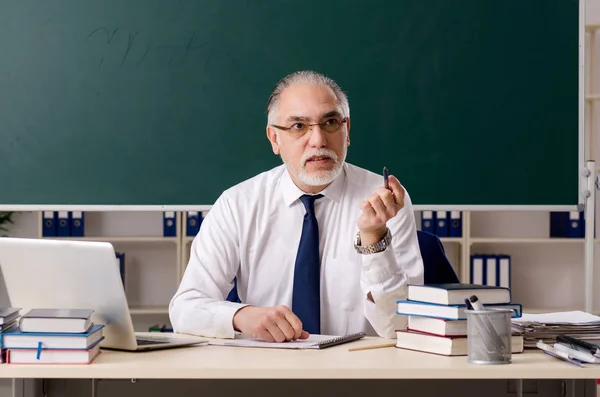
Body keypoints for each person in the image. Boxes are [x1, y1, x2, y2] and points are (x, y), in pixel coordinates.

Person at [169, 70, 424, 342]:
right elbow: (184, 309)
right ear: (274, 139)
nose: (318, 141)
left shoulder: (383, 203)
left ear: (346, 130)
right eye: (298, 126)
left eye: (330, 122)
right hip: (269, 371)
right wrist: (240, 316)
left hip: (359, 372)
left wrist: (375, 240)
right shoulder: (238, 205)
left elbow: (401, 328)